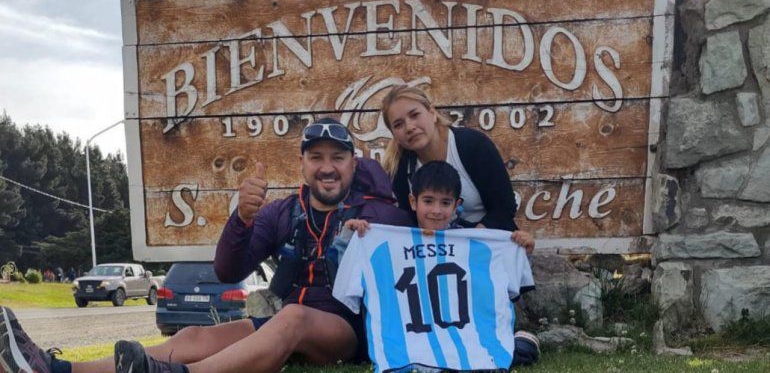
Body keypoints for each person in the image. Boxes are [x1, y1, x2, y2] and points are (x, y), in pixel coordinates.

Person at [0, 118, 412, 373]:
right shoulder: (283, 211)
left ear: (353, 164)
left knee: (294, 317)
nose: (327, 167)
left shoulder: (382, 214)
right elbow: (227, 272)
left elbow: (428, 256)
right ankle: (58, 368)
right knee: (197, 334)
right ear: (302, 164)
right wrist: (242, 219)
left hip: (348, 335)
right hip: (287, 327)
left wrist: (370, 236)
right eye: (317, 156)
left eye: (338, 157)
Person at [337, 160, 540, 370]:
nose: (436, 210)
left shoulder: (477, 242)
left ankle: (515, 343)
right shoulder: (386, 240)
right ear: (413, 201)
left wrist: (522, 252)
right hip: (411, 340)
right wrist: (350, 238)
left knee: (501, 350)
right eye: (428, 201)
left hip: (465, 336)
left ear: (456, 204)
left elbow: (507, 284)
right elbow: (350, 271)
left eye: (445, 203)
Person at [380, 84, 534, 253]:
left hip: (489, 248)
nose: (409, 127)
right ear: (393, 133)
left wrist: (470, 243)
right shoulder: (399, 168)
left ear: (432, 112)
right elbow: (408, 224)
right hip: (436, 253)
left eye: (415, 115)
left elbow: (504, 207)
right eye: (398, 124)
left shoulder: (473, 145)